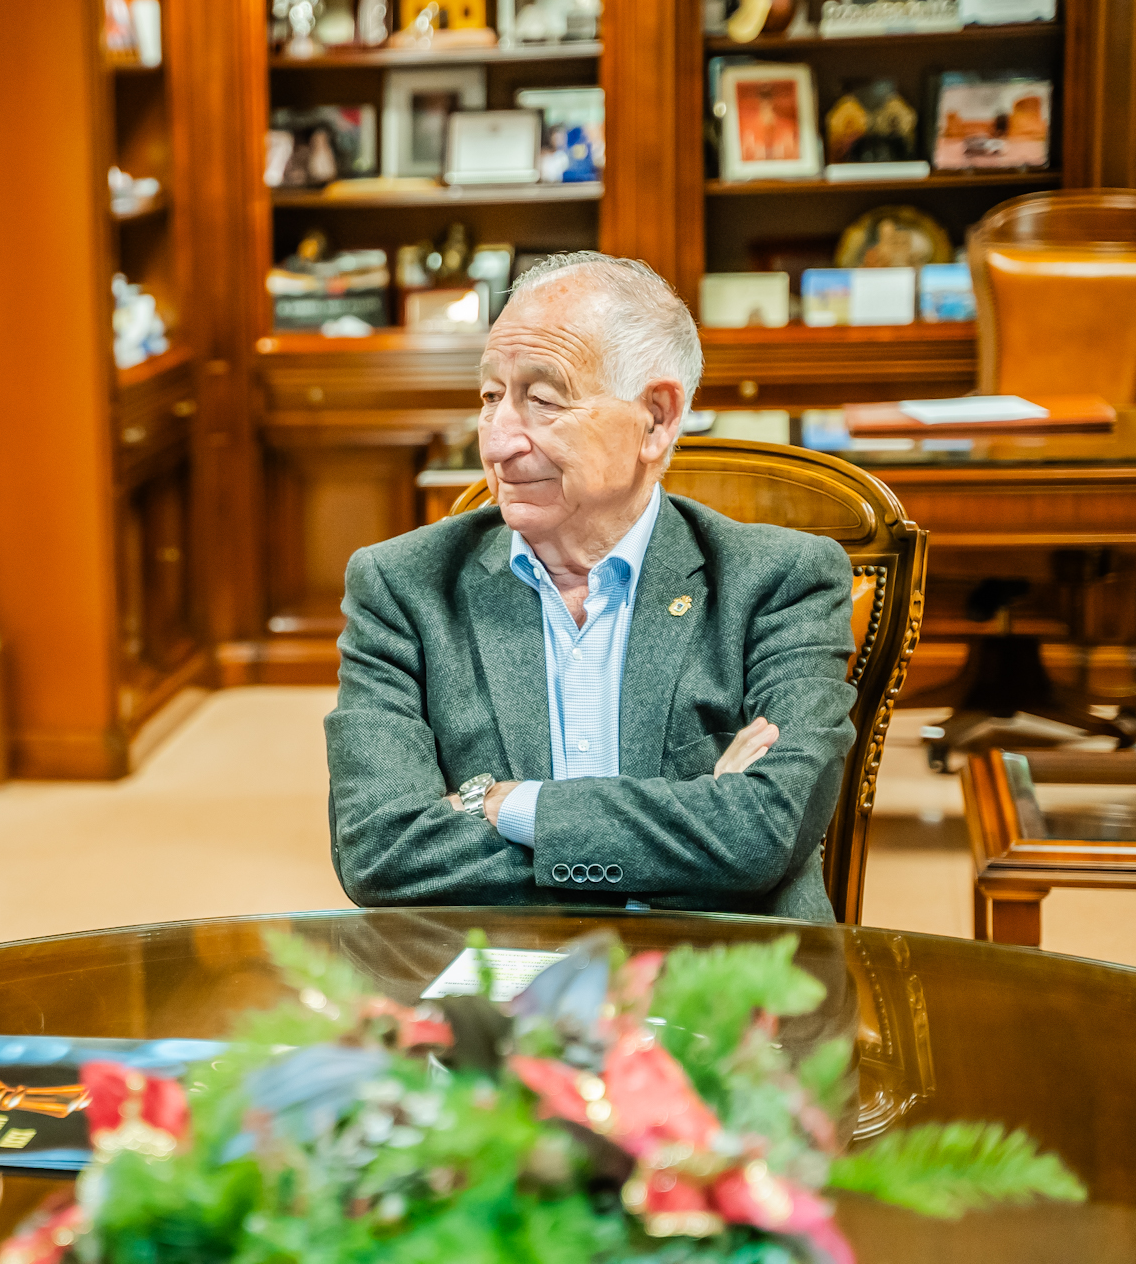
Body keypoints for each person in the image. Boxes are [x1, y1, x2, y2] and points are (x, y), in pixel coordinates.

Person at [326, 253, 856, 921]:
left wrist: (508, 806)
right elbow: (379, 850)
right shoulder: (402, 587)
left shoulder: (779, 582)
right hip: (501, 973)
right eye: (490, 397)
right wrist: (689, 834)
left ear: (656, 418)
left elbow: (765, 831)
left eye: (543, 400)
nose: (498, 442)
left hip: (725, 971)